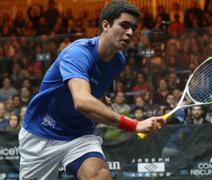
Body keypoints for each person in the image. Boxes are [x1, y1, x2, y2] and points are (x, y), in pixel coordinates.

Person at [19, 1, 164, 180]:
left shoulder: (118, 60)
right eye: (124, 25)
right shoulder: (77, 52)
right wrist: (135, 125)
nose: (130, 33)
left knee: (99, 175)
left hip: (79, 135)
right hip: (41, 132)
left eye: (133, 28)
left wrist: (100, 99)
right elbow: (82, 101)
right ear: (105, 25)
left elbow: (94, 85)